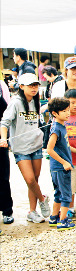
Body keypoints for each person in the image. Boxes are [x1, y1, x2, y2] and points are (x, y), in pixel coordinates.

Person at [0, 73, 52, 223]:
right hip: (21, 148)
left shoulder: (35, 101)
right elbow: (4, 122)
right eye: (30, 85)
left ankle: (32, 211)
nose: (34, 88)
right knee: (29, 179)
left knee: (35, 179)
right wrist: (4, 138)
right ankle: (42, 199)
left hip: (36, 145)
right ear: (21, 87)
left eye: (35, 85)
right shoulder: (16, 102)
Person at [46, 97, 76, 230]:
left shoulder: (62, 126)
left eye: (68, 110)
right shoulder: (56, 128)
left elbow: (64, 146)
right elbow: (49, 149)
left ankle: (53, 217)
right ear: (55, 113)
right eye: (64, 111)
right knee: (66, 194)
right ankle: (63, 220)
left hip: (58, 167)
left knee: (58, 193)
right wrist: (64, 163)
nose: (68, 113)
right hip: (61, 167)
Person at [0, 79, 14, 224]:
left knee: (3, 178)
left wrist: (5, 138)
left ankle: (7, 210)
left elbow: (6, 119)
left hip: (1, 143)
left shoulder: (1, 87)